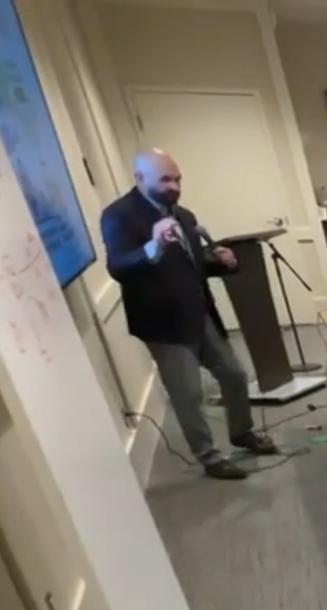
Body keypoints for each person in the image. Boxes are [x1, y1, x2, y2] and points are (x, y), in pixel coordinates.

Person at [100, 148, 276, 480]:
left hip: (199, 313)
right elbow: (118, 267)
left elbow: (191, 267)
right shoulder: (119, 216)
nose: (174, 186)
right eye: (165, 179)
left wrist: (221, 263)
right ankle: (209, 458)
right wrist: (153, 248)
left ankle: (242, 433)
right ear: (140, 179)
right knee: (189, 394)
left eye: (177, 178)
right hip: (163, 323)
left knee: (235, 374)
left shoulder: (184, 215)